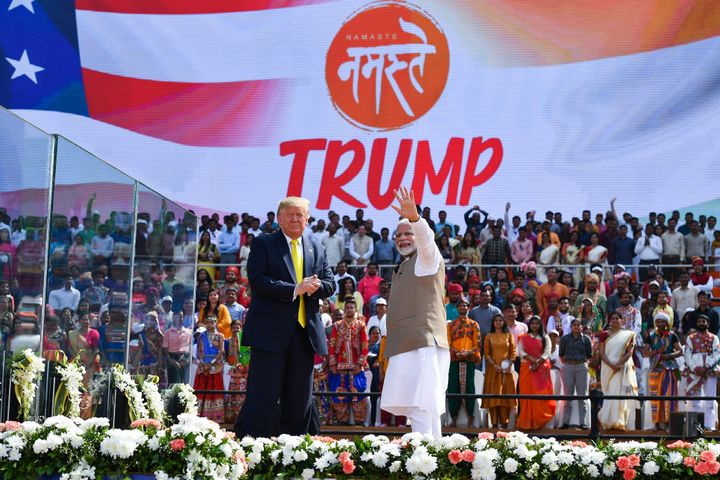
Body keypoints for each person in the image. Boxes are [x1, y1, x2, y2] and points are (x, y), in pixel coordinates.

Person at [235, 196, 335, 438]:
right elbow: (258, 281)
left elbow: (330, 285)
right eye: (289, 214)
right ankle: (254, 449)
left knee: (299, 399)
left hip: (304, 335)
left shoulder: (317, 248)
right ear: (279, 218)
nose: (295, 219)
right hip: (270, 335)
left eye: (300, 214)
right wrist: (294, 289)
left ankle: (295, 453)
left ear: (307, 219)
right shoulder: (263, 244)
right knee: (263, 396)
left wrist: (314, 287)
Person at [380, 187, 450, 439]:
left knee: (422, 405)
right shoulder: (404, 266)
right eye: (398, 235)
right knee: (422, 407)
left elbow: (427, 242)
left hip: (423, 342)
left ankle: (424, 461)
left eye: (408, 233)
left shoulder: (426, 260)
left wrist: (415, 220)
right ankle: (434, 457)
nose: (402, 238)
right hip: (408, 344)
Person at [328, 297, 369, 425]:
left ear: (355, 309)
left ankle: (358, 425)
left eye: (352, 307)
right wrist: (333, 363)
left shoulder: (361, 325)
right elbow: (332, 345)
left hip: (356, 367)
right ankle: (342, 424)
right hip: (339, 366)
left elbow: (364, 346)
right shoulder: (337, 325)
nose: (349, 309)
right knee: (339, 395)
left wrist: (360, 363)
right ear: (344, 309)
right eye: (347, 307)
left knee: (358, 395)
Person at [598, 312, 638, 431]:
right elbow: (601, 353)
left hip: (622, 368)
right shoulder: (604, 335)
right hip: (608, 367)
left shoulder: (628, 334)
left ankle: (620, 421)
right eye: (613, 318)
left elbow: (630, 352)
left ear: (622, 321)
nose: (615, 320)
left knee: (620, 392)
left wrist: (618, 364)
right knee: (610, 392)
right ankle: (609, 421)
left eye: (617, 318)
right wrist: (611, 365)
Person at [446, 297, 481, 427]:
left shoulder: (474, 325)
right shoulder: (451, 325)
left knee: (469, 388)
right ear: (457, 308)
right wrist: (456, 352)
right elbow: (448, 343)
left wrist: (468, 353)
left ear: (468, 308)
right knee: (453, 387)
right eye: (460, 306)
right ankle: (453, 418)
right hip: (455, 359)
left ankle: (470, 417)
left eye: (465, 305)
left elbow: (477, 343)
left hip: (469, 360)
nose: (462, 308)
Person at [516, 316, 555, 430]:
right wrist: (532, 359)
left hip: (541, 370)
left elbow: (547, 352)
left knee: (541, 395)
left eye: (536, 324)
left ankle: (539, 423)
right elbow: (520, 351)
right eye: (532, 323)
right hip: (526, 369)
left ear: (540, 325)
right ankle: (526, 423)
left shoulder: (545, 337)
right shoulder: (524, 338)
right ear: (529, 325)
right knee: (526, 395)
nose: (534, 326)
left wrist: (537, 362)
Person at [644, 312, 681, 430]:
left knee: (669, 396)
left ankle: (668, 423)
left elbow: (680, 351)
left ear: (667, 323)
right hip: (656, 369)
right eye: (658, 321)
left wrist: (668, 356)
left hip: (669, 369)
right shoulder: (651, 336)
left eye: (663, 321)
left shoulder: (673, 335)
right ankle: (656, 423)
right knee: (656, 396)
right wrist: (657, 352)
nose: (660, 324)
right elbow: (645, 353)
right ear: (655, 323)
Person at [684, 314, 720, 432]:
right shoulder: (690, 338)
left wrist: (707, 367)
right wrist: (695, 368)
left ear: (708, 324)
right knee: (695, 400)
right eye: (699, 321)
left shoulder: (714, 338)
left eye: (703, 321)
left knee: (710, 398)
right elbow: (687, 355)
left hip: (710, 371)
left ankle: (709, 426)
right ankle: (695, 427)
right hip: (695, 372)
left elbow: (717, 354)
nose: (701, 323)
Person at [482, 313, 517, 429]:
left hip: (506, 371)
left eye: (500, 320)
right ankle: (495, 423)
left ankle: (504, 422)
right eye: (496, 320)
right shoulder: (489, 336)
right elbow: (486, 354)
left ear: (504, 322)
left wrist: (509, 365)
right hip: (493, 371)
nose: (498, 322)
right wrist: (494, 365)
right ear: (493, 323)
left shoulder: (509, 335)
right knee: (493, 396)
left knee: (505, 396)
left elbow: (513, 352)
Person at [558, 319, 592, 429]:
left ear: (581, 327)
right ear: (571, 326)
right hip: (568, 366)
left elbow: (589, 354)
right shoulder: (565, 339)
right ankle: (565, 422)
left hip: (581, 366)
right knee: (568, 395)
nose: (576, 327)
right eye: (574, 325)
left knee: (583, 395)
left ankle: (583, 423)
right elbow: (561, 353)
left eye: (578, 325)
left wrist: (581, 363)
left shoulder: (586, 339)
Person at [193, 315, 225, 423]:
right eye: (209, 322)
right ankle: (199, 414)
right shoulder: (202, 336)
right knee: (201, 388)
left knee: (214, 389)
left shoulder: (220, 336)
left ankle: (215, 416)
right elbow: (199, 352)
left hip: (215, 366)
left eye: (213, 322)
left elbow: (221, 351)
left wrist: (211, 363)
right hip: (203, 365)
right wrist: (203, 363)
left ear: (216, 322)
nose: (210, 324)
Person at [226, 319, 252, 424]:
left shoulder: (246, 339)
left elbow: (248, 354)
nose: (236, 329)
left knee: (243, 394)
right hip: (235, 371)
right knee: (233, 394)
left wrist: (244, 365)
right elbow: (229, 356)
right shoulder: (229, 341)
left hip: (244, 371)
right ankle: (233, 419)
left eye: (238, 327)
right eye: (233, 327)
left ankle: (243, 418)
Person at [162, 311, 192, 384]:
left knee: (184, 381)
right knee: (172, 381)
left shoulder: (188, 332)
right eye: (177, 317)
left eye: (181, 317)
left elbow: (190, 347)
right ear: (173, 318)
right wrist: (171, 360)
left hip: (184, 358)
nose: (179, 319)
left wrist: (187, 360)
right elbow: (165, 349)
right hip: (172, 358)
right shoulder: (167, 332)